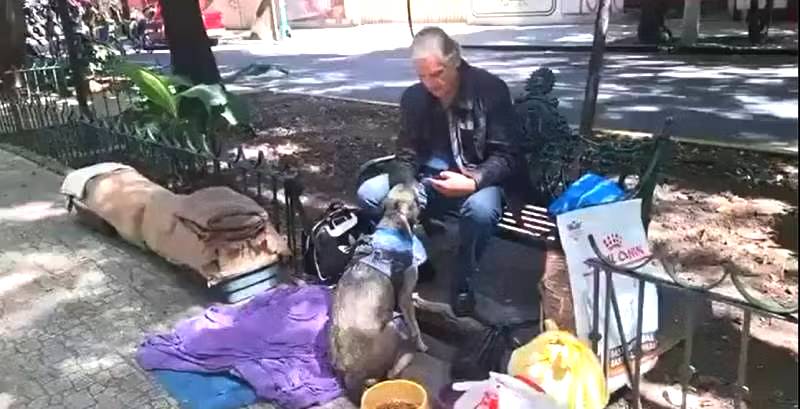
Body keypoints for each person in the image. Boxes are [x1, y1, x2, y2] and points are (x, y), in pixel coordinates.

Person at [356, 27, 525, 317]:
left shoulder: (490, 90)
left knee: (480, 212)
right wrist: (404, 187)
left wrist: (473, 181)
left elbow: (509, 156)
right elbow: (406, 154)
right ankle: (419, 260)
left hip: (480, 180)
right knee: (370, 194)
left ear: (455, 60)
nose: (431, 84)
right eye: (422, 76)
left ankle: (463, 282)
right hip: (429, 180)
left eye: (438, 73)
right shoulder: (414, 98)